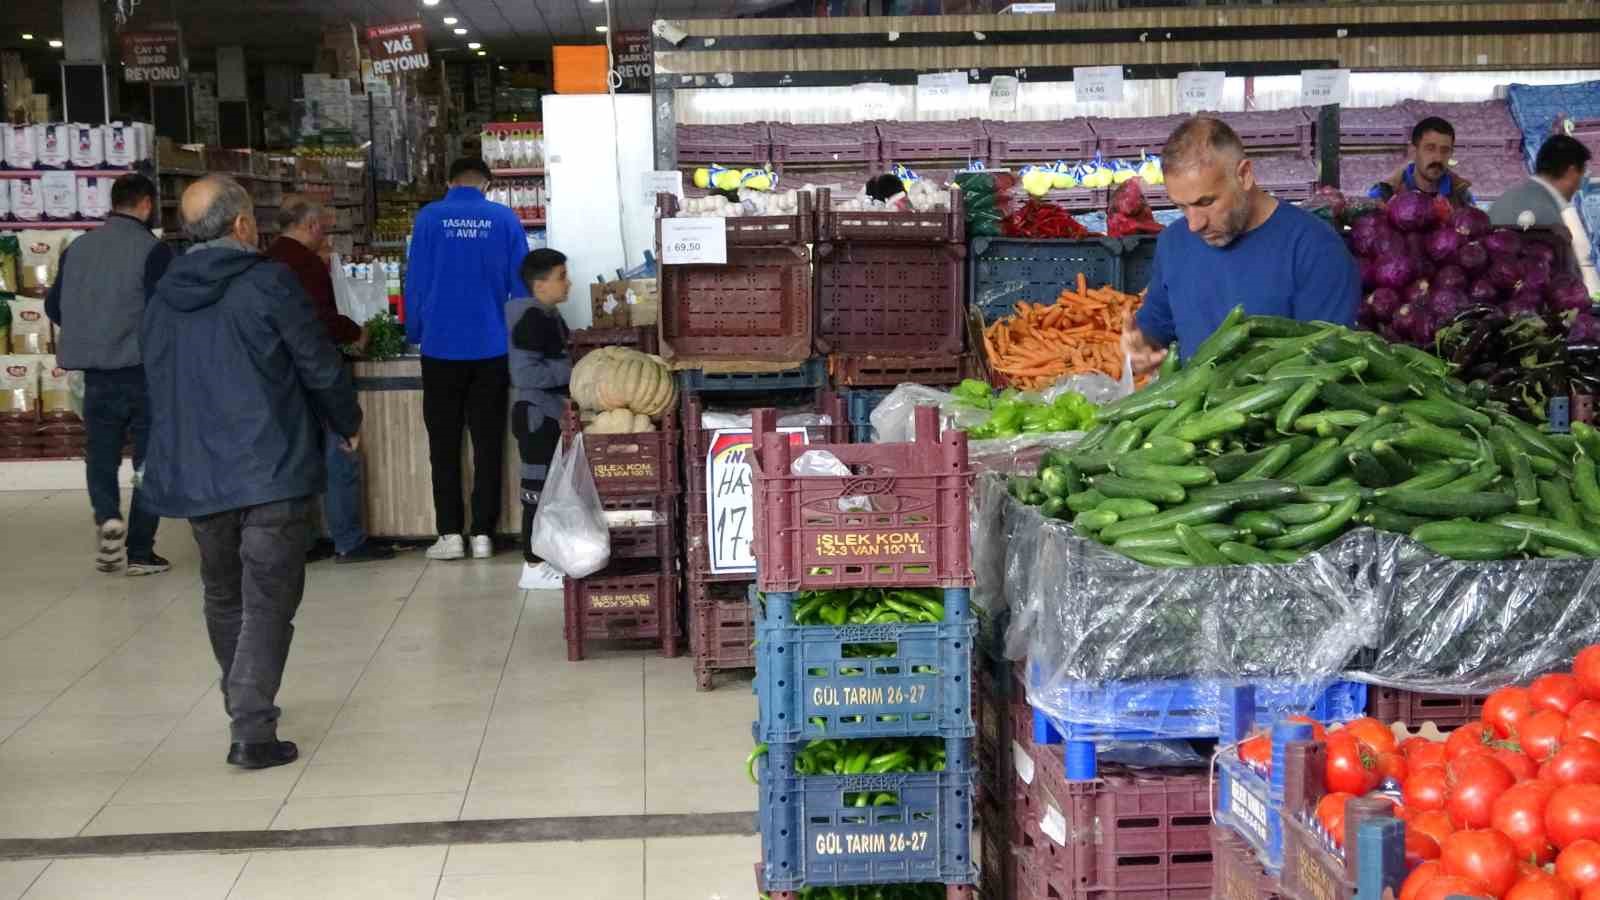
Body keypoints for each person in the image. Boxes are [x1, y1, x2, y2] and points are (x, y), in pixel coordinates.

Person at [141, 175, 362, 769]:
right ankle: (251, 724)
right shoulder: (269, 282)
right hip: (271, 466)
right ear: (242, 225)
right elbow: (317, 362)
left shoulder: (162, 296)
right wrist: (346, 421)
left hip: (198, 470)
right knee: (267, 597)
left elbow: (154, 381)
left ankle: (242, 697)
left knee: (223, 591)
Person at [1123, 118, 1359, 375]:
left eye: (1206, 202)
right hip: (1194, 401)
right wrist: (1141, 347)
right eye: (1181, 206)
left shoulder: (1317, 250)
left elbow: (1325, 365)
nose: (1194, 224)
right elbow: (1157, 327)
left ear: (1244, 175)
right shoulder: (1173, 242)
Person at [44, 172, 174, 576]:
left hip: (96, 376)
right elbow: (165, 312)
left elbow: (53, 307)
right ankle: (140, 551)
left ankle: (107, 516)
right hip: (143, 374)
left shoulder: (77, 248)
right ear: (146, 205)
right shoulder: (154, 251)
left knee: (100, 454)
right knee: (149, 461)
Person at [404, 157, 528, 561]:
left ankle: (450, 534)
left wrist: (415, 332)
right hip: (491, 348)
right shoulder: (504, 219)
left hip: (440, 348)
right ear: (487, 185)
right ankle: (483, 535)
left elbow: (415, 282)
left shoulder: (429, 218)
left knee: (443, 443)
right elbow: (521, 287)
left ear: (448, 181)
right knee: (488, 442)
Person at [266, 195, 394, 564]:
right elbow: (319, 317)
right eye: (323, 228)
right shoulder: (306, 263)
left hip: (280, 374)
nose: (325, 235)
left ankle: (304, 541)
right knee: (341, 454)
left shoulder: (266, 259)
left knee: (298, 458)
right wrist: (356, 332)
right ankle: (349, 541)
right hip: (316, 370)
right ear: (309, 225)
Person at [506, 249, 573, 591]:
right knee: (536, 491)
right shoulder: (530, 318)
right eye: (561, 277)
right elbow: (525, 373)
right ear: (540, 284)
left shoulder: (550, 316)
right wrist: (573, 372)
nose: (568, 283)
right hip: (537, 416)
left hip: (550, 414)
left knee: (551, 491)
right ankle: (532, 565)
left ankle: (548, 559)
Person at [1490, 134, 1600, 294]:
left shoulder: (1514, 195)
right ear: (1571, 172)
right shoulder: (1544, 213)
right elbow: (1564, 288)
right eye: (1581, 174)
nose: (1579, 186)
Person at [1368, 116, 1474, 207]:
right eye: (1430, 149)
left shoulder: (1461, 194)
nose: (1438, 158)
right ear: (1413, 151)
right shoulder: (1384, 192)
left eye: (1445, 150)